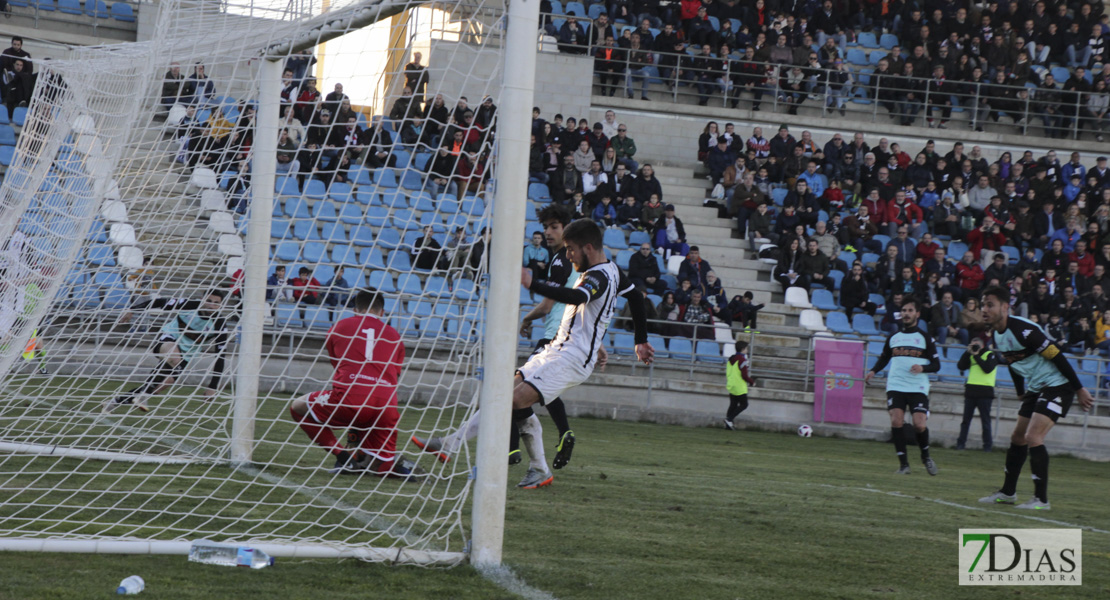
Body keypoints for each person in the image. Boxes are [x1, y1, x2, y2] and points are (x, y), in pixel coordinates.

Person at [418, 220, 655, 489]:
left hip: (572, 358)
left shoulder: (597, 277)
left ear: (588, 247)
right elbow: (635, 298)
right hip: (556, 349)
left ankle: (537, 468)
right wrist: (641, 341)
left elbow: (576, 297)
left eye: (571, 250)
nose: (568, 256)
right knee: (504, 392)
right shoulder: (611, 270)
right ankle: (451, 444)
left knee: (517, 400)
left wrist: (533, 283)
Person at [978, 286, 1094, 510]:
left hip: (1058, 385)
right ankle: (1007, 493)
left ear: (1005, 307)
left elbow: (1056, 355)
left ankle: (1041, 500)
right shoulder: (997, 334)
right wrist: (1020, 390)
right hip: (1036, 386)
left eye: (989, 304)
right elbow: (1013, 361)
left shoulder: (1025, 330)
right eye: (983, 304)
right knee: (1017, 437)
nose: (984, 309)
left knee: (1033, 436)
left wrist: (1079, 388)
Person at [288, 290, 422, 479]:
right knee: (381, 465)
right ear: (382, 312)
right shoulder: (396, 337)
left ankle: (343, 456)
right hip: (387, 408)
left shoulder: (339, 327)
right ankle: (384, 463)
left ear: (354, 310)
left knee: (297, 407)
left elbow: (339, 366)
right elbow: (395, 375)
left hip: (351, 398)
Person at [102, 290, 231, 413]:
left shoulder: (219, 324)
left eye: (216, 302)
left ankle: (114, 402)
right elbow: (159, 302)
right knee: (174, 358)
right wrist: (132, 310)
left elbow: (220, 356)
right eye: (208, 300)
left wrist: (213, 386)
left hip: (187, 354)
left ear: (221, 305)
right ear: (202, 300)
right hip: (168, 340)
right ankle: (144, 396)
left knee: (164, 383)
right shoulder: (188, 305)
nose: (211, 305)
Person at [864, 297, 941, 475]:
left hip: (917, 387)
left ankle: (926, 456)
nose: (906, 314)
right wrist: (873, 371)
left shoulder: (925, 338)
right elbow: (884, 357)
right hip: (896, 385)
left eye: (910, 311)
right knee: (896, 421)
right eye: (904, 311)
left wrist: (923, 367)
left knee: (919, 425)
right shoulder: (893, 338)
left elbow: (936, 366)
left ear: (917, 314)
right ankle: (904, 465)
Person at [955, 338, 998, 452]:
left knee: (985, 421)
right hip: (971, 392)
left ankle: (987, 446)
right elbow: (961, 366)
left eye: (977, 345)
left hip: (985, 393)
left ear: (982, 345)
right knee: (965, 421)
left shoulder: (990, 354)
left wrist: (976, 355)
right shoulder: (971, 355)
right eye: (973, 345)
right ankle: (960, 444)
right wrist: (967, 352)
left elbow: (987, 369)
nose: (975, 347)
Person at [723, 340, 754, 430]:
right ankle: (729, 419)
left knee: (733, 404)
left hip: (731, 384)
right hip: (739, 386)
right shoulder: (742, 359)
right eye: (746, 348)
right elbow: (744, 375)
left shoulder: (731, 358)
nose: (747, 350)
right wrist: (752, 382)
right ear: (743, 349)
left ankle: (728, 426)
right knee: (744, 404)